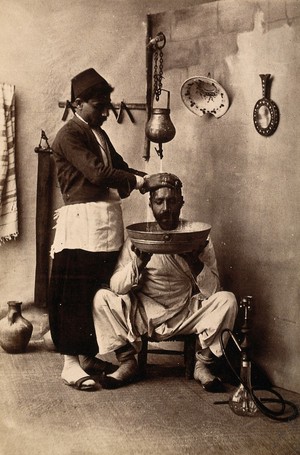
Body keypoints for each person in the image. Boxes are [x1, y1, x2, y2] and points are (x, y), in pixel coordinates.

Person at [48, 68, 174, 391]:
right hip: (80, 226)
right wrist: (136, 182)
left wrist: (150, 180)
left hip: (104, 225)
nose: (106, 112)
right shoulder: (69, 135)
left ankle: (88, 356)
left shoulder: (99, 134)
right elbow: (98, 173)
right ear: (78, 103)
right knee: (74, 294)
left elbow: (118, 167)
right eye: (99, 105)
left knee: (96, 289)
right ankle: (70, 364)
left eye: (107, 104)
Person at [93, 173, 238, 392]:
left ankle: (203, 365)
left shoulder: (196, 236)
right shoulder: (138, 237)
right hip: (145, 312)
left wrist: (194, 262)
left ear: (181, 202)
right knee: (101, 298)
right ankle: (128, 362)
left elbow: (214, 291)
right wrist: (138, 264)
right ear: (151, 204)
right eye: (159, 201)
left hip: (186, 311)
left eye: (171, 201)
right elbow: (116, 287)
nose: (166, 208)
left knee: (228, 300)